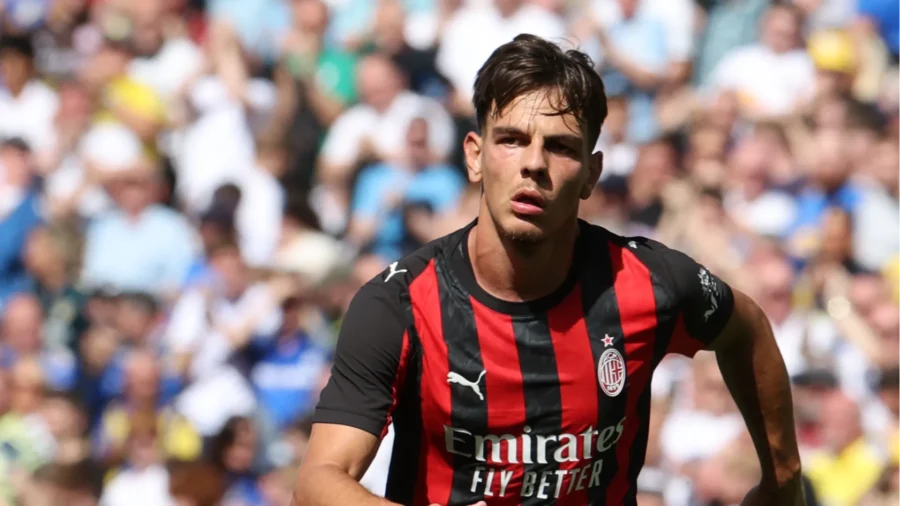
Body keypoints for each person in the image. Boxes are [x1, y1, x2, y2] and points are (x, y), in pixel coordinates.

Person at [291, 34, 804, 506]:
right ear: (475, 157)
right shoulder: (397, 303)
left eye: (559, 147)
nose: (533, 164)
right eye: (512, 139)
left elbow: (747, 328)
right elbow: (318, 481)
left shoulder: (648, 281)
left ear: (591, 175)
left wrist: (782, 478)